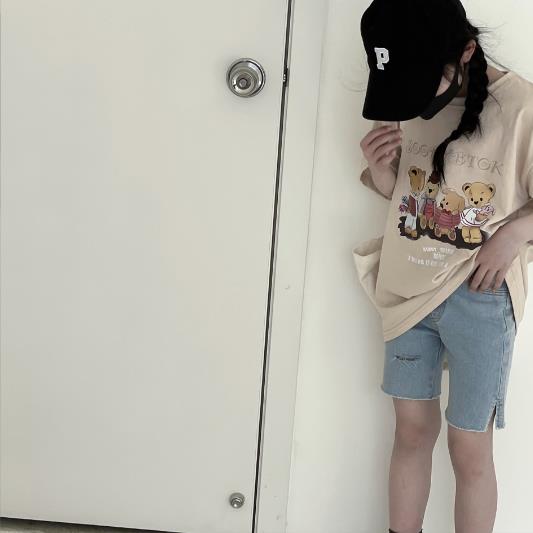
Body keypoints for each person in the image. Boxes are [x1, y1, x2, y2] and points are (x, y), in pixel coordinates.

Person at [353, 1, 533, 532]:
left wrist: (513, 236)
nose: (411, 97)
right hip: (407, 288)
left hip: (482, 297)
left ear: (467, 52)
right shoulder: (406, 96)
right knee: (410, 432)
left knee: (469, 446)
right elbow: (410, 200)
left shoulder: (521, 107)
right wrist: (381, 173)